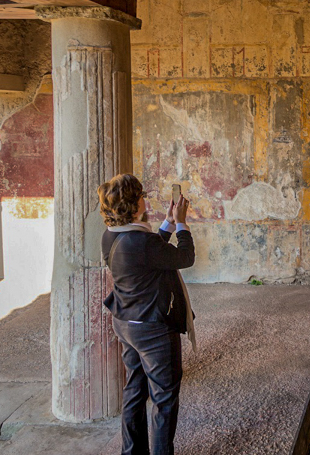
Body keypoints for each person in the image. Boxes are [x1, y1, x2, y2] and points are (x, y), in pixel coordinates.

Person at [97, 173, 196, 455]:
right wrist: (181, 223)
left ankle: (131, 452)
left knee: (135, 390)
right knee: (164, 399)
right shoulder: (141, 243)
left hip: (126, 323)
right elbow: (184, 257)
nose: (144, 199)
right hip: (153, 330)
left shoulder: (111, 236)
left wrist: (167, 223)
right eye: (140, 195)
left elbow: (150, 254)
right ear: (132, 204)